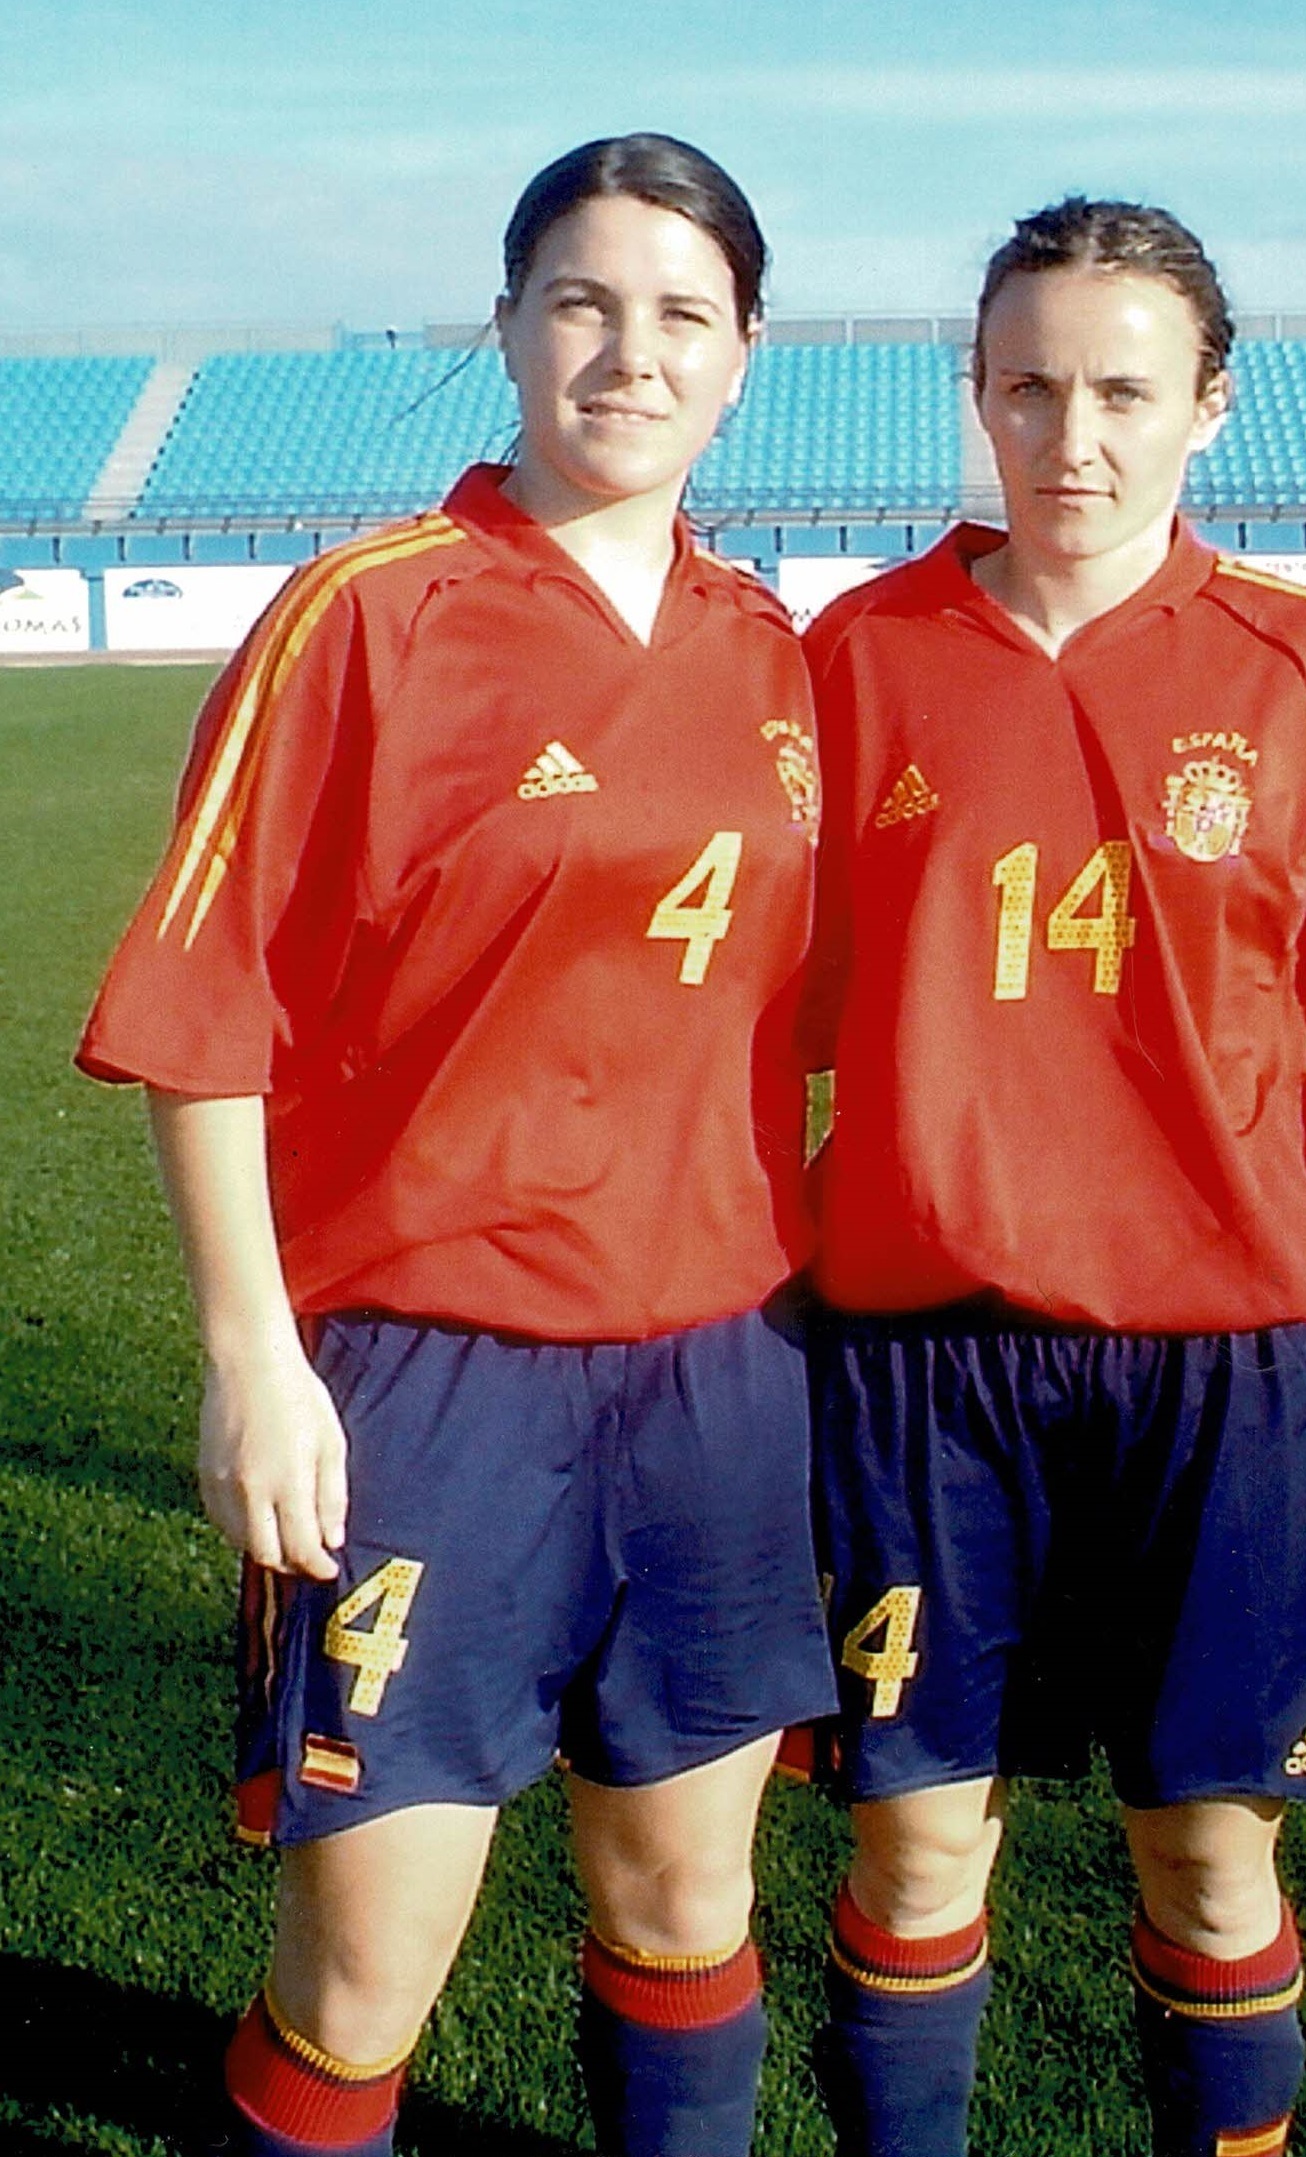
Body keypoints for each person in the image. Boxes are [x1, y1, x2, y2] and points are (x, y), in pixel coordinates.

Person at [77, 132, 836, 2157]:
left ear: (744, 352)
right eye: (580, 299)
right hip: (428, 1376)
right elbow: (200, 1004)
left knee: (686, 1903)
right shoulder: (362, 617)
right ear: (507, 323)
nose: (627, 350)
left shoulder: (773, 653)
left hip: (726, 1377)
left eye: (682, 312)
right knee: (360, 1975)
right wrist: (254, 1353)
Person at [798, 196, 1306, 2157]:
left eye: (1120, 388)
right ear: (976, 395)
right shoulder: (854, 662)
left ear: (1208, 407)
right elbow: (771, 1031)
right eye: (1026, 385)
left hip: (1228, 1365)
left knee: (1205, 1859)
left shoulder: (1298, 665)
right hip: (921, 1368)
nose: (1068, 435)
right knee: (920, 1848)